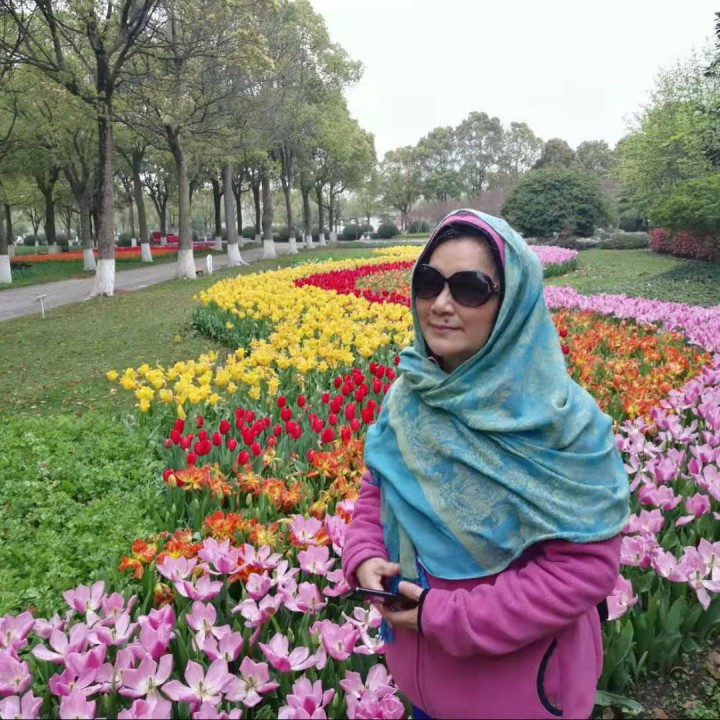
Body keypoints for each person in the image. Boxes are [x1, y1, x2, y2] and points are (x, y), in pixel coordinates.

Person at [342, 209, 630, 720]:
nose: (441, 304)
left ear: (513, 302)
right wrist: (364, 555)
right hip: (421, 684)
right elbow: (377, 491)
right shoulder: (410, 398)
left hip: (517, 696)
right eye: (429, 283)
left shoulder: (563, 426)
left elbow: (582, 572)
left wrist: (444, 616)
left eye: (469, 288)